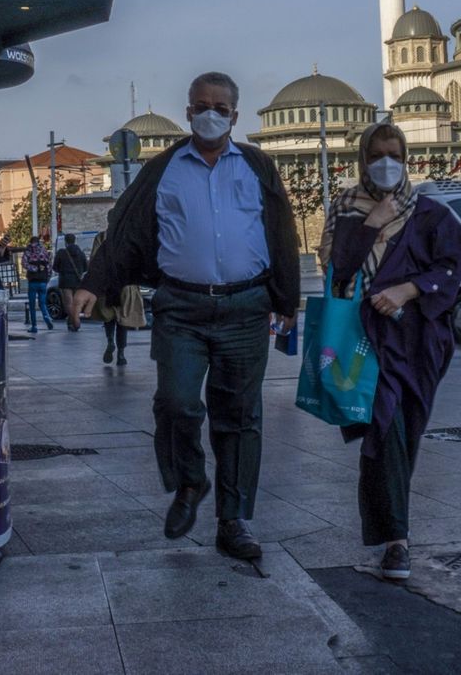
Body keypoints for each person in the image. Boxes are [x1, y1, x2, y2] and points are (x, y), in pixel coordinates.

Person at [71, 72, 299, 562]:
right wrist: (93, 282)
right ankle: (190, 482)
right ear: (189, 110)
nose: (210, 113)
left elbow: (282, 234)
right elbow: (125, 230)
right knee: (176, 402)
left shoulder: (258, 167)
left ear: (235, 115)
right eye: (201, 105)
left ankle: (234, 521)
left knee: (239, 416)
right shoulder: (165, 168)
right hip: (181, 306)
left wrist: (286, 300)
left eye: (220, 106)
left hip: (246, 307)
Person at [319, 123, 461, 581]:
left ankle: (392, 528)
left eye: (395, 154)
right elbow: (338, 269)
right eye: (377, 155)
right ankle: (397, 542)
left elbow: (451, 266)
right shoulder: (345, 211)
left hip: (419, 342)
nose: (386, 163)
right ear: (362, 160)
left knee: (405, 430)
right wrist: (372, 223)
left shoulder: (430, 215)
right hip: (365, 340)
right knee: (384, 429)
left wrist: (408, 289)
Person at [90, 228, 146, 365]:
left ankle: (110, 341)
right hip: (126, 284)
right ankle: (121, 354)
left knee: (108, 316)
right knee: (123, 320)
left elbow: (94, 259)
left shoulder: (101, 237)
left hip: (107, 284)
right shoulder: (130, 236)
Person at [54, 233, 90, 331]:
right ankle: (71, 323)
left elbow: (55, 267)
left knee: (68, 303)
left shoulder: (61, 253)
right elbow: (86, 267)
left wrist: (63, 271)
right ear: (74, 241)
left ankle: (76, 321)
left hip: (65, 281)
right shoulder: (81, 253)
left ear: (65, 241)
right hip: (77, 280)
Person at [21, 233, 55, 333]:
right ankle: (46, 317)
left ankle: (34, 326)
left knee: (32, 305)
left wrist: (33, 268)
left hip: (33, 281)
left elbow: (24, 263)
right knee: (42, 303)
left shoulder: (28, 251)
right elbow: (49, 266)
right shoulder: (44, 251)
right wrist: (48, 277)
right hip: (43, 281)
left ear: (31, 242)